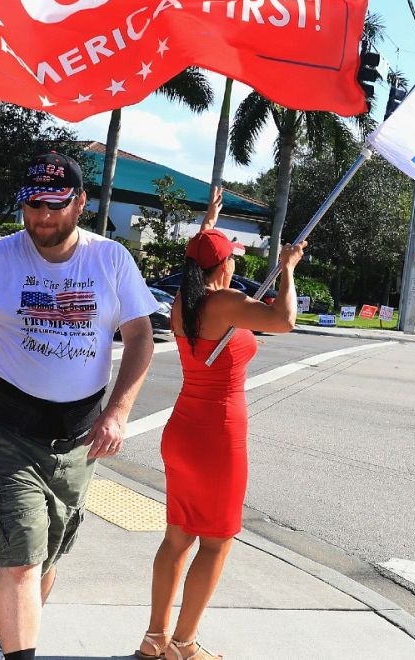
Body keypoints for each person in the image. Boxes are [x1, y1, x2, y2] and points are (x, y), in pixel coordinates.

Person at [0, 153, 158, 660]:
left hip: (79, 441)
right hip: (9, 432)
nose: (41, 217)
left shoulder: (110, 259)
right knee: (21, 557)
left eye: (54, 205)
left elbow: (140, 336)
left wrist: (118, 412)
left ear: (81, 204)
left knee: (44, 561)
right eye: (32, 205)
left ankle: (11, 645)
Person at [136, 188, 305, 660]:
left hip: (183, 430)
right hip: (218, 435)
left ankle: (155, 639)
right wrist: (287, 271)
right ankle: (184, 646)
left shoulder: (182, 305)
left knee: (177, 539)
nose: (234, 263)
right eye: (230, 257)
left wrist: (209, 223)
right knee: (215, 542)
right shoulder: (226, 303)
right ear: (223, 267)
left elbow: (202, 253)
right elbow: (284, 320)